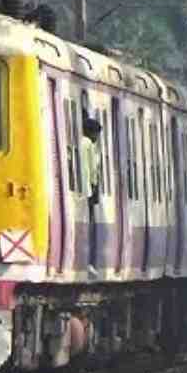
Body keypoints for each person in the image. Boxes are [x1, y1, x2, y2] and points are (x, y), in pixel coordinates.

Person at [81, 117, 103, 274]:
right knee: (90, 225)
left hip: (80, 190)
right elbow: (92, 169)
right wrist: (94, 187)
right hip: (88, 190)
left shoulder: (79, 142)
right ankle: (89, 261)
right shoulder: (88, 144)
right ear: (93, 133)